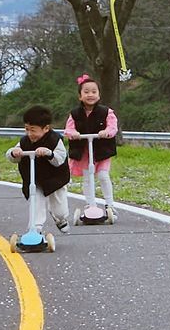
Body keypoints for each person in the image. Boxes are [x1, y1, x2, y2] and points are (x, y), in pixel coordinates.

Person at [7, 106, 71, 235]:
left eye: (33, 130)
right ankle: (35, 229)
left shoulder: (54, 140)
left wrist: (49, 154)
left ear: (46, 128)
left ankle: (60, 218)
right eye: (27, 129)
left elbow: (60, 159)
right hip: (34, 178)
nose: (30, 134)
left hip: (55, 179)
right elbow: (10, 155)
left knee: (60, 210)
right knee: (36, 201)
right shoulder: (24, 141)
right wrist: (14, 153)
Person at [64, 75, 119, 215]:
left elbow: (113, 127)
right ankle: (90, 204)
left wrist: (106, 132)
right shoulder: (75, 114)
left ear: (99, 95)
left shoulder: (106, 112)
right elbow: (68, 129)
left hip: (102, 151)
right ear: (80, 96)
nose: (90, 95)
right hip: (84, 152)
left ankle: (110, 204)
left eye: (94, 92)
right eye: (86, 92)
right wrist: (74, 133)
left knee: (103, 176)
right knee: (88, 177)